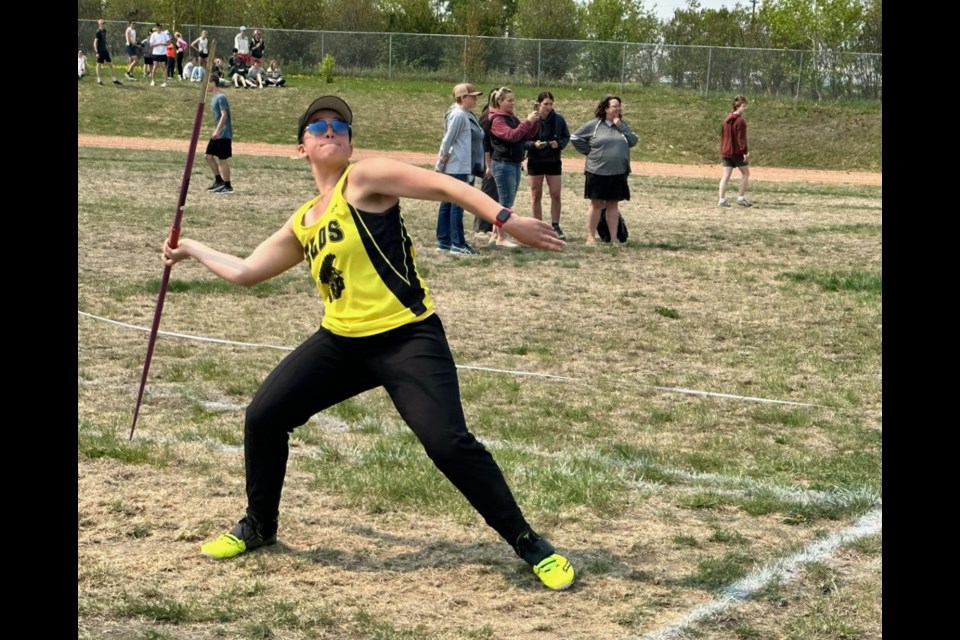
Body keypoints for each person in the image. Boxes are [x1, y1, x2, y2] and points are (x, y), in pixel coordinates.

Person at [163, 94, 573, 591]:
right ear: (302, 149)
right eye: (318, 128)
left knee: (447, 443)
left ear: (351, 143)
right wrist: (190, 249)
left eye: (339, 125)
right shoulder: (305, 219)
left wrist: (505, 219)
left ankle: (527, 541)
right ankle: (260, 525)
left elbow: (445, 185)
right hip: (341, 343)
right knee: (264, 416)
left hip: (407, 336)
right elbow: (248, 271)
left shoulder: (364, 179)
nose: (330, 130)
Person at [570, 96, 638, 245]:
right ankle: (591, 237)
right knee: (596, 204)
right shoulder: (594, 125)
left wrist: (621, 126)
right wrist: (590, 152)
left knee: (613, 204)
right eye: (615, 106)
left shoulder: (622, 126)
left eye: (619, 106)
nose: (618, 109)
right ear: (606, 109)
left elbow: (633, 141)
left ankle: (613, 239)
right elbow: (575, 137)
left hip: (618, 171)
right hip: (597, 171)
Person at [435, 83, 485, 255]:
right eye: (472, 96)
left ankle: (444, 240)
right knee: (458, 203)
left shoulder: (464, 114)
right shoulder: (459, 115)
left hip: (459, 165)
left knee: (448, 202)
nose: (475, 99)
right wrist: (440, 164)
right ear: (463, 97)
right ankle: (457, 243)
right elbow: (447, 140)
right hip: (458, 166)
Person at [486, 87, 539, 247]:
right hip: (503, 164)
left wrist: (533, 123)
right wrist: (528, 122)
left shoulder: (510, 118)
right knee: (505, 204)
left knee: (506, 202)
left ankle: (495, 236)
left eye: (513, 100)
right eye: (509, 100)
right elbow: (511, 136)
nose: (512, 103)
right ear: (500, 102)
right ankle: (502, 237)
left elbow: (525, 135)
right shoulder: (497, 120)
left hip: (513, 163)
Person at [526, 91, 570, 240]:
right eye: (546, 104)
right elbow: (522, 139)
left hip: (553, 162)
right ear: (539, 104)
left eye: (551, 104)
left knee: (556, 194)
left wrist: (559, 144)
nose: (549, 107)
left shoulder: (559, 120)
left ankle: (555, 225)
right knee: (536, 194)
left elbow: (566, 137)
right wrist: (533, 144)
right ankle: (537, 226)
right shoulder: (532, 120)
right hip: (535, 161)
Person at [718, 95, 752, 207]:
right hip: (736, 152)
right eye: (743, 106)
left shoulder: (726, 120)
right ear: (737, 107)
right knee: (746, 173)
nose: (745, 108)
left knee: (726, 176)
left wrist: (723, 149)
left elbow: (723, 136)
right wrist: (745, 152)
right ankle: (741, 198)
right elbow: (741, 139)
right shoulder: (740, 122)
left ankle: (721, 200)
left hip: (726, 151)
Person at [204, 74, 233, 194]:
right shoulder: (214, 97)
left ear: (213, 83)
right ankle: (219, 181)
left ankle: (228, 186)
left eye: (207, 82)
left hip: (224, 133)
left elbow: (224, 115)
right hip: (217, 133)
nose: (206, 85)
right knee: (208, 156)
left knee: (222, 159)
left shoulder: (221, 97)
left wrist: (217, 131)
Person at [93, 19, 122, 85]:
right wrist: (96, 52)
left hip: (105, 50)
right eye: (102, 23)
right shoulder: (98, 32)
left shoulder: (105, 31)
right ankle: (99, 80)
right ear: (99, 24)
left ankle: (114, 80)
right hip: (100, 51)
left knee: (111, 64)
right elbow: (95, 43)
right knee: (99, 65)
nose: (104, 24)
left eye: (104, 23)